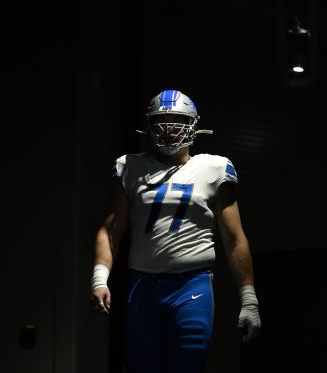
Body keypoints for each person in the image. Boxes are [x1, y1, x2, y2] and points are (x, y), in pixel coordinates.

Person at [90, 89, 261, 373]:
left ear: (193, 124)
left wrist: (249, 298)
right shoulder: (130, 166)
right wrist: (99, 279)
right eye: (161, 121)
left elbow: (234, 238)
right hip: (141, 286)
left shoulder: (215, 168)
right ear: (149, 125)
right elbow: (110, 229)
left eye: (176, 121)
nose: (168, 130)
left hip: (191, 286)